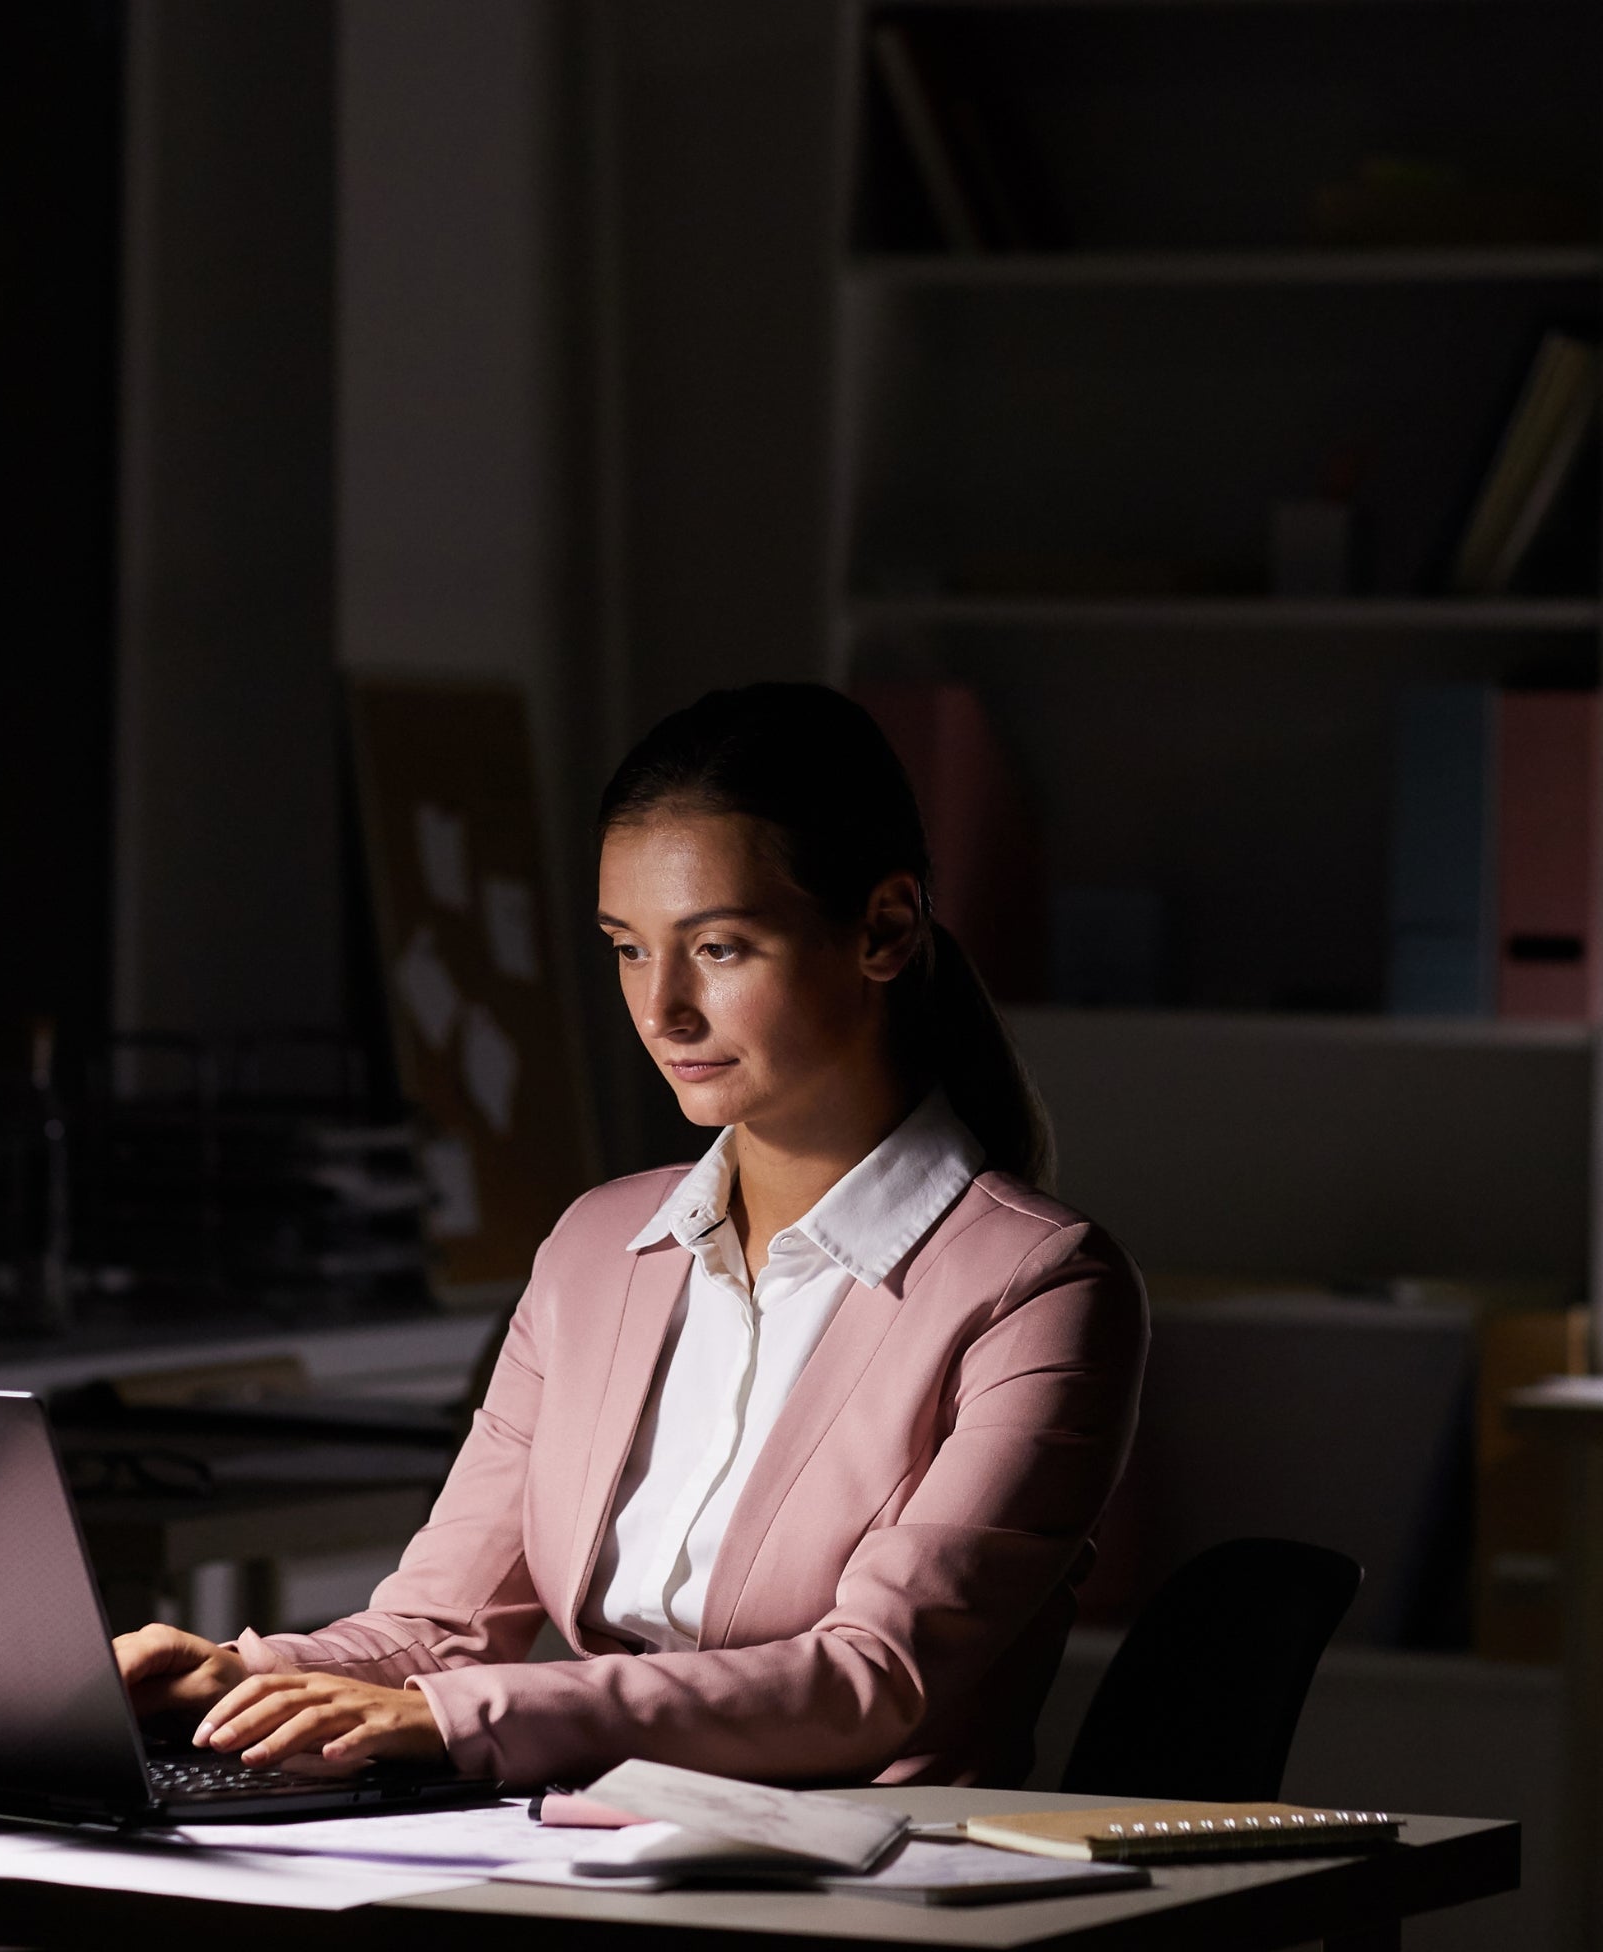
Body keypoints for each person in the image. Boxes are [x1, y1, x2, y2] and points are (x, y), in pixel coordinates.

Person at [115, 681, 1147, 1792]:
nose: (662, 1011)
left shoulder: (1039, 1285)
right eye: (626, 948)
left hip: (865, 1889)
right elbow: (440, 1628)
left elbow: (867, 1681)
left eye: (719, 948)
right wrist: (236, 1676)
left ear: (884, 928)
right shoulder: (595, 1249)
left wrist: (457, 1715)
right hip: (576, 1849)